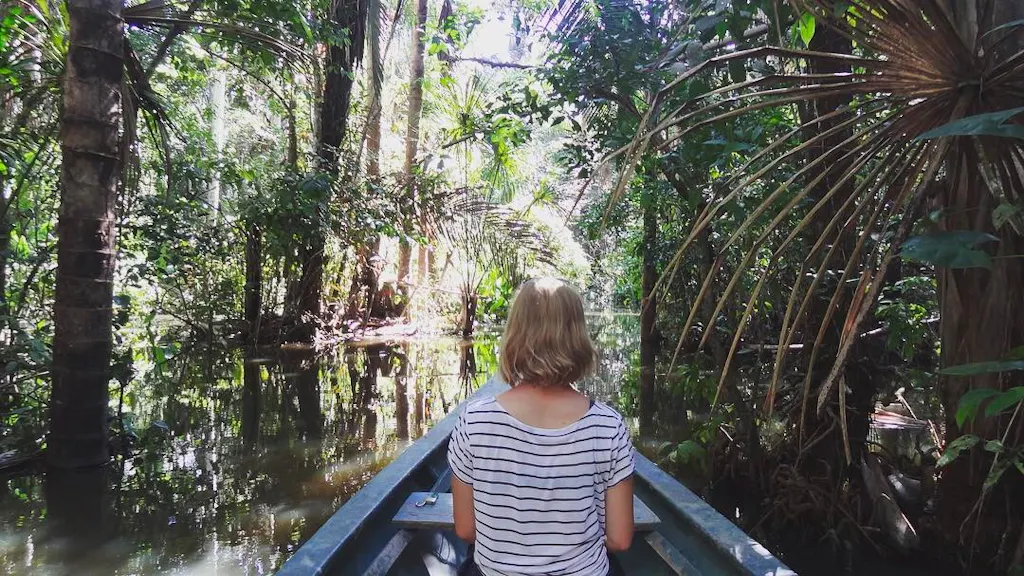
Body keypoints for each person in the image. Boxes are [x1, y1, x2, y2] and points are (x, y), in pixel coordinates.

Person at [447, 277, 635, 576]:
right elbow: (620, 540)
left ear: (515, 334)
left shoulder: (474, 421)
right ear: (577, 337)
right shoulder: (607, 426)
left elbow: (466, 530)